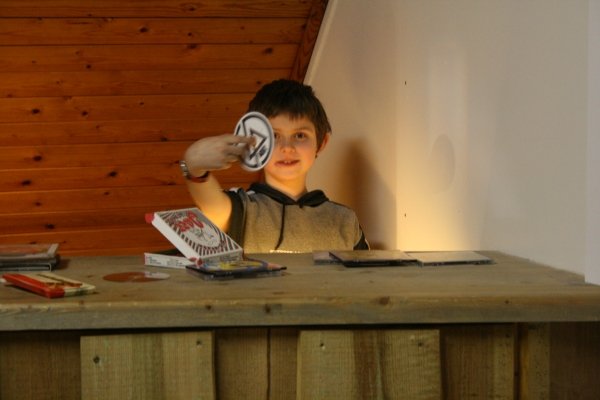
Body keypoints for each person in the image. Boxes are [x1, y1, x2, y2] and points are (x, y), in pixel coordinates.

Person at [180, 79, 369, 253]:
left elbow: (368, 276)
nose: (287, 148)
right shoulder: (242, 209)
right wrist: (194, 164)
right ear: (252, 143)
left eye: (300, 135)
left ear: (321, 143)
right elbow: (211, 205)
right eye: (274, 136)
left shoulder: (345, 220)